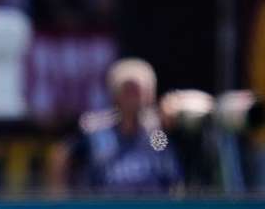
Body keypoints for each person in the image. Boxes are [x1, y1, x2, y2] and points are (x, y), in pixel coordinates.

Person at [56, 57, 182, 195]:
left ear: (150, 94)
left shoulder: (156, 134)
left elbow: (171, 175)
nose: (134, 98)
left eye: (139, 91)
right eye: (128, 91)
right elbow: (62, 157)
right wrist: (62, 199)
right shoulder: (97, 133)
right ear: (115, 94)